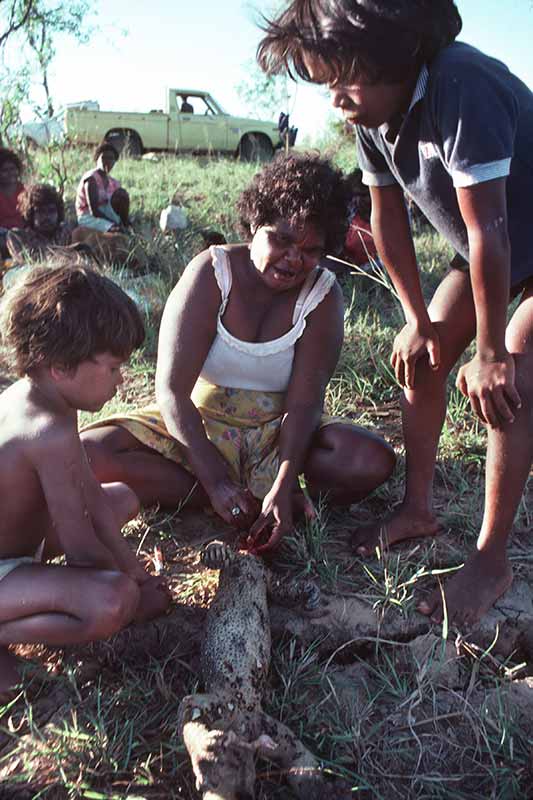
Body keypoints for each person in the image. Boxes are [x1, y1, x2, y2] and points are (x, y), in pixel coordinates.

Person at [257, 0, 533, 625]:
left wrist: (491, 353)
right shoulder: (374, 117)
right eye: (326, 84)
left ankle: (491, 559)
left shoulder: (461, 85)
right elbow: (386, 220)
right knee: (423, 359)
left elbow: (488, 230)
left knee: (515, 376)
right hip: (493, 249)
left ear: (395, 52)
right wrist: (416, 318)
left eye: (343, 79)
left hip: (503, 241)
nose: (335, 99)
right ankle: (417, 508)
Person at [81, 154, 395, 553]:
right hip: (199, 427)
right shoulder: (212, 274)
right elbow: (172, 391)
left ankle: (264, 495)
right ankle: (233, 496)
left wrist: (284, 479)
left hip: (276, 434)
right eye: (281, 239)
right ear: (254, 225)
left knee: (368, 460)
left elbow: (304, 405)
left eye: (310, 249)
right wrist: (215, 481)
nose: (293, 258)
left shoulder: (322, 294)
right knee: (90, 454)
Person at [0, 264, 171, 696]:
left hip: (17, 548)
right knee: (112, 600)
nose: (121, 381)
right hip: (5, 568)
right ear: (61, 366)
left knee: (122, 498)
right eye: (113, 368)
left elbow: (91, 496)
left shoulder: (42, 396)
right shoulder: (47, 432)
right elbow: (83, 554)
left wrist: (134, 568)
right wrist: (137, 598)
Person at [6, 184, 73, 265]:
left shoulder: (65, 231)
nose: (47, 216)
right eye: (41, 211)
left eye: (51, 211)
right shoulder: (18, 237)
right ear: (30, 213)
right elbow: (32, 260)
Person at [75, 142, 130, 232]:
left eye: (111, 158)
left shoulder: (113, 182)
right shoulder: (91, 178)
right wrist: (113, 223)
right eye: (104, 158)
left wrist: (124, 221)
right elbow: (94, 211)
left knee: (122, 194)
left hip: (105, 214)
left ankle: (126, 226)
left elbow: (119, 205)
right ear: (96, 159)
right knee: (116, 231)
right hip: (88, 216)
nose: (107, 161)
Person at [0, 148, 25, 258]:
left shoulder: (24, 190)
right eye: (5, 170)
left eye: (13, 169)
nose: (10, 173)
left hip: (24, 234)